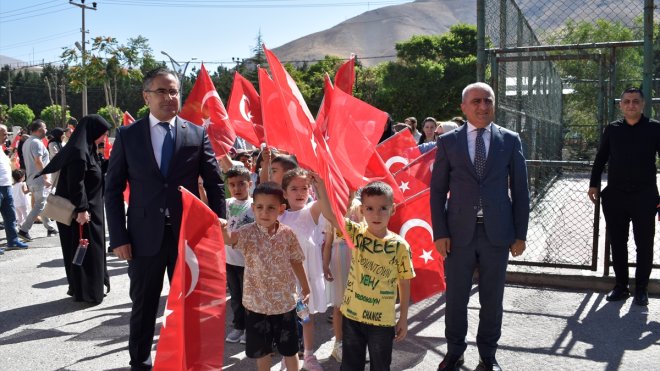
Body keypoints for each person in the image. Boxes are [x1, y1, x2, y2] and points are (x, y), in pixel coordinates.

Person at [104, 67, 226, 369]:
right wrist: (118, 238)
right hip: (143, 237)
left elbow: (215, 183)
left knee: (188, 302)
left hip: (187, 237)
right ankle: (140, 361)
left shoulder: (195, 134)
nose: (170, 97)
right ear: (147, 96)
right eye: (162, 91)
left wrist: (218, 222)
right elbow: (113, 189)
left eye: (174, 91)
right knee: (144, 304)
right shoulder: (128, 135)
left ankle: (186, 358)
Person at [431, 82, 530, 371]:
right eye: (475, 101)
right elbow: (437, 191)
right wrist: (440, 232)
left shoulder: (510, 140)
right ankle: (455, 351)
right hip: (458, 235)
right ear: (464, 107)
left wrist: (520, 234)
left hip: (497, 235)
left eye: (488, 100)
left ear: (494, 104)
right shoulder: (448, 142)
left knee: (492, 299)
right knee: (456, 298)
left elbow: (521, 191)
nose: (482, 106)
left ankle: (488, 355)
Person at [318, 180, 415, 371]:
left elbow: (404, 282)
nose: (376, 214)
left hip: (382, 321)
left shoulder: (400, 246)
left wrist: (403, 317)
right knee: (351, 365)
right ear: (361, 210)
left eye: (383, 208)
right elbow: (330, 214)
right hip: (352, 316)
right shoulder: (356, 234)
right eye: (369, 208)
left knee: (380, 366)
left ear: (392, 209)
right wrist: (320, 185)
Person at [220, 182, 311, 371]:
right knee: (262, 351)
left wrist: (305, 285)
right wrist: (222, 228)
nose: (264, 212)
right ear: (253, 208)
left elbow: (296, 261)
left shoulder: (288, 234)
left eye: (271, 208)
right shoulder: (246, 232)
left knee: (289, 349)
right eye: (259, 207)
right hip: (256, 305)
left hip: (285, 304)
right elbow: (229, 239)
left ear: (281, 209)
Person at [588, 87, 660, 307]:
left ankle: (641, 290)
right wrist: (593, 183)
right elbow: (601, 157)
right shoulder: (612, 129)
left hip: (645, 196)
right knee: (618, 243)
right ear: (620, 105)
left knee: (644, 244)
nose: (631, 105)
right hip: (616, 195)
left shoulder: (655, 129)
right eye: (627, 101)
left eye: (635, 101)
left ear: (643, 104)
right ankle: (621, 287)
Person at [40, 115, 112, 303]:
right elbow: (76, 184)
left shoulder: (88, 149)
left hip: (92, 210)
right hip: (82, 213)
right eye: (102, 134)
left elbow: (95, 171)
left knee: (92, 251)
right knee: (86, 251)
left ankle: (90, 288)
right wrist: (81, 209)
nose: (104, 138)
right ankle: (86, 292)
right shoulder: (79, 153)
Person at [278, 168, 328, 370]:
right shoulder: (279, 217)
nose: (300, 193)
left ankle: (308, 355)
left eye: (304, 188)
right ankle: (288, 355)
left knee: (305, 318)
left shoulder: (311, 212)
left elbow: (326, 203)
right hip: (287, 279)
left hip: (306, 279)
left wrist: (319, 184)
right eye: (294, 189)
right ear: (284, 193)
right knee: (287, 319)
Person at [322, 193, 362, 363]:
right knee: (340, 304)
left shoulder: (360, 206)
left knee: (357, 302)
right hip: (339, 256)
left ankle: (357, 344)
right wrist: (325, 265)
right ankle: (338, 343)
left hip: (358, 257)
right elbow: (328, 242)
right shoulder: (331, 208)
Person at [223, 166, 254, 344]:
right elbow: (209, 209)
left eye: (241, 184)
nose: (237, 188)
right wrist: (202, 189)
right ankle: (239, 326)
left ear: (250, 184)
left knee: (248, 298)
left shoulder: (254, 205)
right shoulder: (226, 203)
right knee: (235, 297)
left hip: (248, 262)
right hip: (230, 261)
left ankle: (250, 329)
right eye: (232, 185)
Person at [17, 119, 58, 241]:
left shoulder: (28, 142)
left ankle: (50, 227)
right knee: (39, 205)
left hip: (32, 179)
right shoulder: (36, 143)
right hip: (39, 180)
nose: (46, 130)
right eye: (45, 128)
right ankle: (24, 230)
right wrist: (45, 177)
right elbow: (38, 161)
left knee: (41, 204)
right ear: (40, 130)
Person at [0, 124, 29, 254]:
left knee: (10, 216)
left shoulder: (2, 148)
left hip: (7, 186)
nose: (7, 136)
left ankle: (12, 240)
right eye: (4, 133)